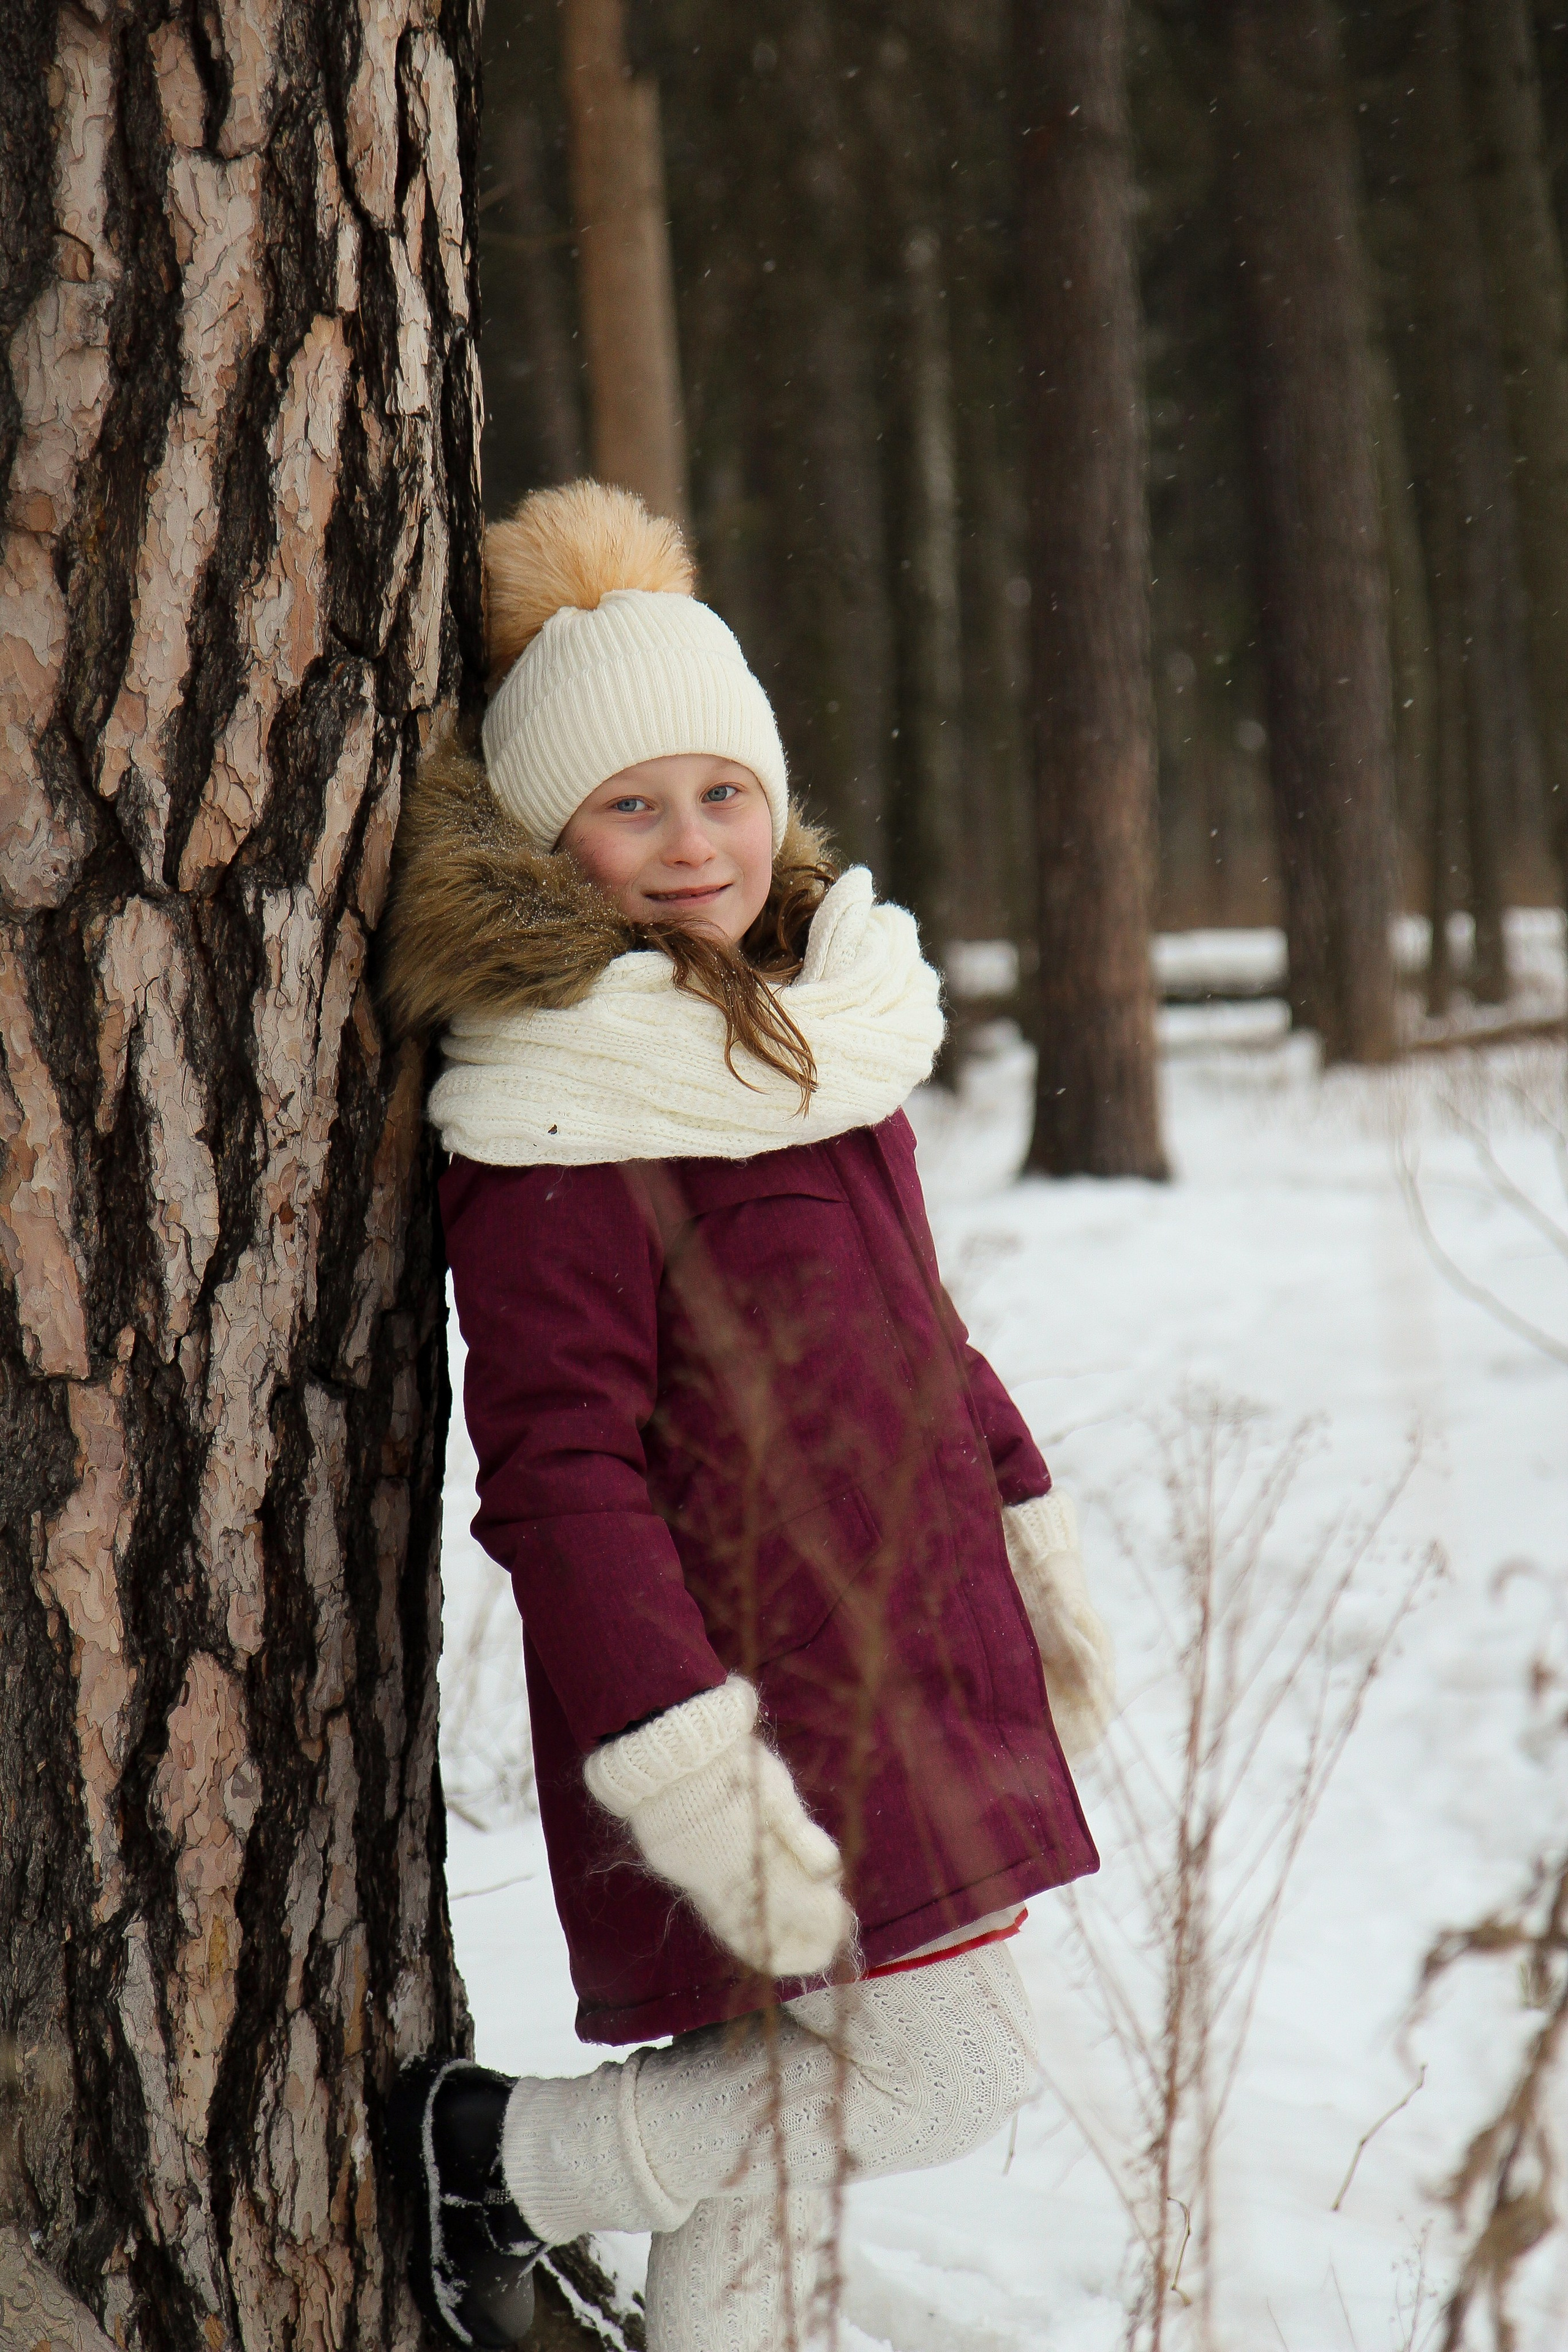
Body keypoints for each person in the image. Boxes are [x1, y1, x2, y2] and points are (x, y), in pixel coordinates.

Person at [380, 480, 1114, 2351]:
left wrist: (1026, 1525)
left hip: (910, 1632)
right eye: (630, 805)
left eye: (721, 790)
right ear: (555, 838)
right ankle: (506, 2162)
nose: (691, 841)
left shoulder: (812, 1034)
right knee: (950, 2077)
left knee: (787, 2119)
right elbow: (559, 1475)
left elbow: (918, 1333)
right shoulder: (559, 1111)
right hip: (741, 1690)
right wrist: (683, 1758)